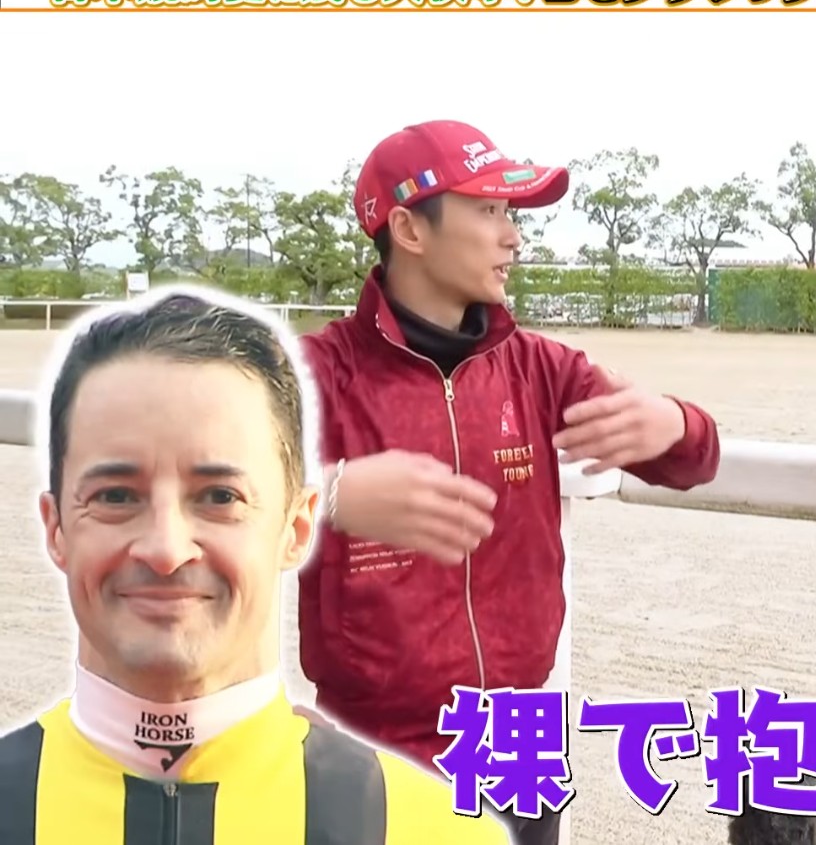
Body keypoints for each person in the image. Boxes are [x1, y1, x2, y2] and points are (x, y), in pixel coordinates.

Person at [298, 119, 722, 844]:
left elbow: (694, 460)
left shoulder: (540, 369)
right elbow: (215, 487)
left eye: (511, 213)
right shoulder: (320, 373)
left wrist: (675, 422)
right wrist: (332, 493)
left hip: (518, 744)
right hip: (371, 748)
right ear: (409, 228)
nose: (513, 237)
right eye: (489, 211)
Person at [0, 289, 508, 844]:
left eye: (220, 497)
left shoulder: (436, 834)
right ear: (56, 528)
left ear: (297, 528)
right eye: (116, 496)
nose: (167, 550)